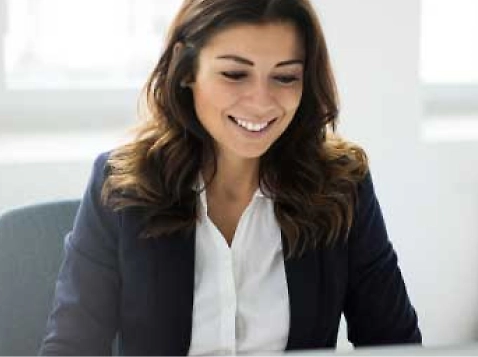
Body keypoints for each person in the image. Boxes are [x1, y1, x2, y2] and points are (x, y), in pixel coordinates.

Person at [39, 0, 421, 355]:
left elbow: (395, 343)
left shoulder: (341, 186)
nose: (261, 101)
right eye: (235, 74)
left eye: (285, 77)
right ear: (186, 69)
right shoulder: (122, 186)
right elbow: (72, 347)